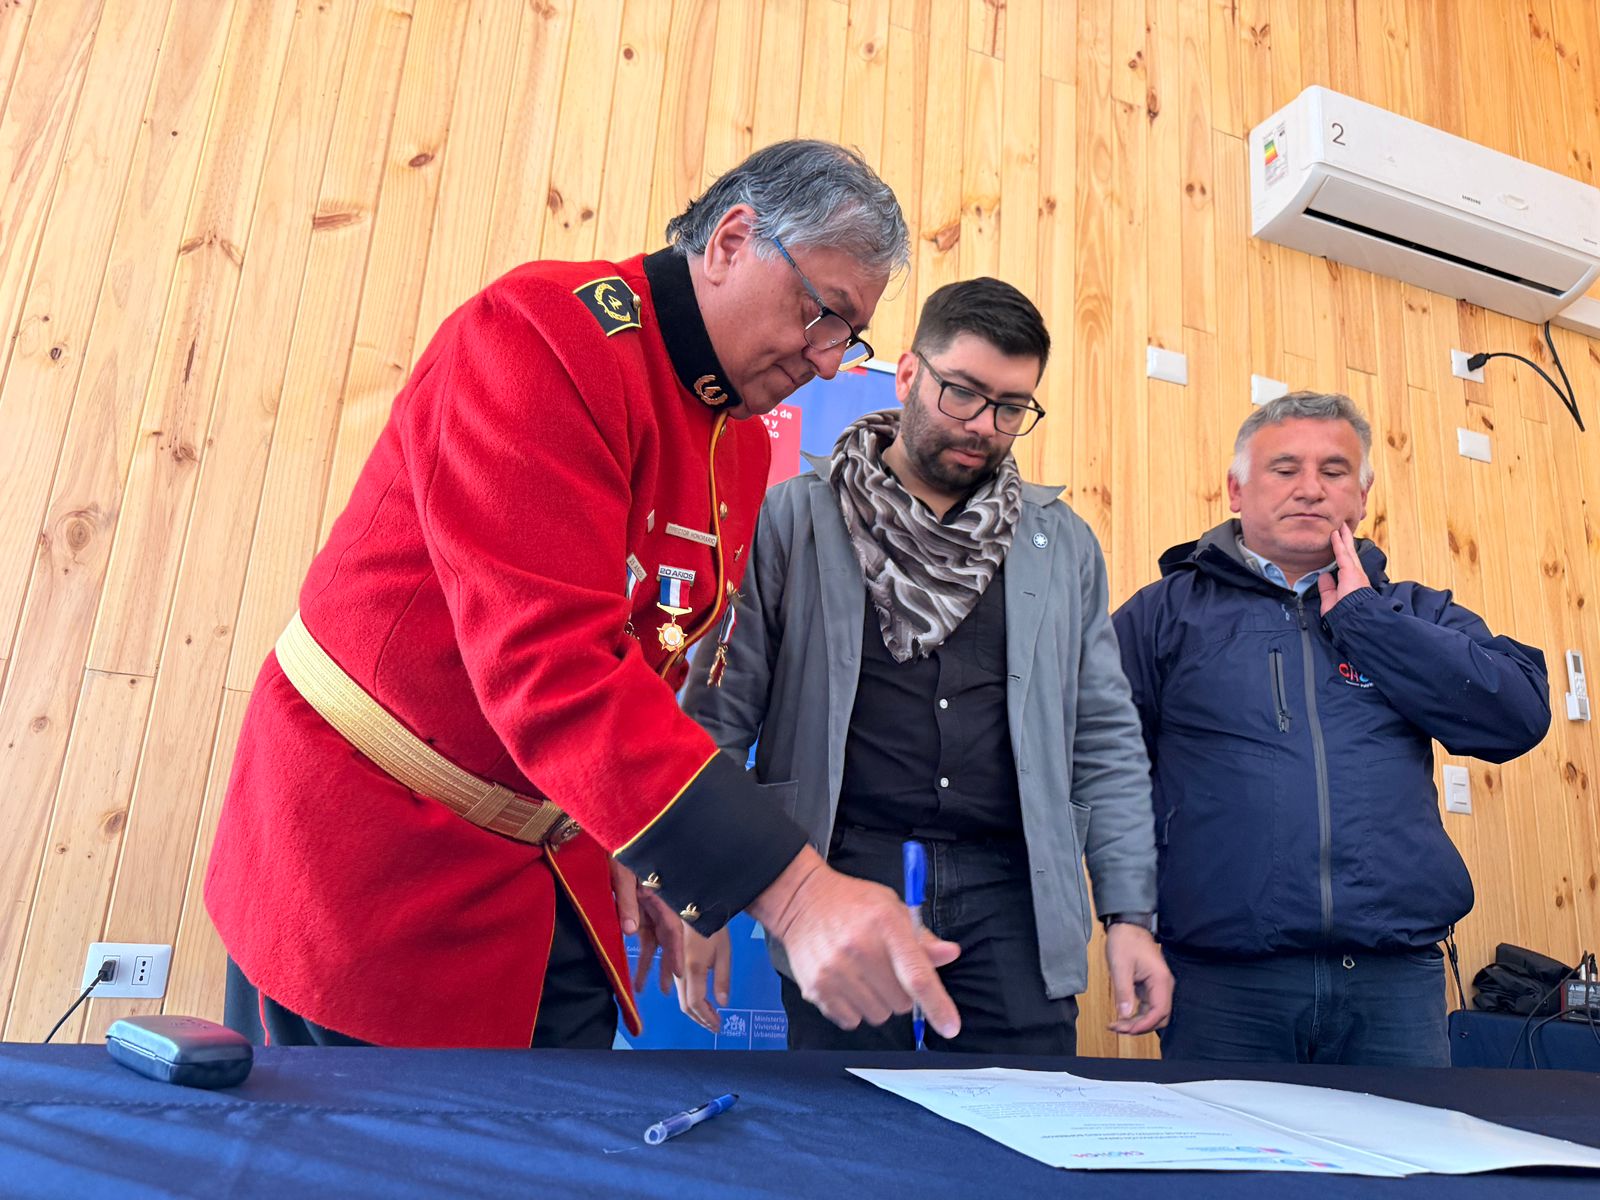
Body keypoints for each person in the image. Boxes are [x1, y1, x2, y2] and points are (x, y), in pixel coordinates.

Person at [205, 140, 965, 1049]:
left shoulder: (736, 440)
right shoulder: (542, 334)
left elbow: (651, 660)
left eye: (849, 335)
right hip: (374, 858)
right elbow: (552, 667)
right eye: (822, 313)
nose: (831, 362)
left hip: (551, 859)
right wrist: (795, 893)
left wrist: (652, 842)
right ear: (731, 241)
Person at [676, 278, 1171, 1052]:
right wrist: (698, 891)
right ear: (908, 374)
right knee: (846, 1117)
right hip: (839, 873)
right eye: (962, 393)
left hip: (1014, 890)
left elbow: (1104, 735)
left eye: (1011, 407)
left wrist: (1130, 914)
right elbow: (720, 714)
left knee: (1020, 1123)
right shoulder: (795, 516)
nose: (983, 426)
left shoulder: (1063, 545)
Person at [1113, 391, 1551, 1067]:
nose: (1311, 488)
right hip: (1224, 983)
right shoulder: (1162, 616)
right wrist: (1128, 919)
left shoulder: (1410, 612)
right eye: (1285, 468)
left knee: (1404, 1143)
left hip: (1394, 983)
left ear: (1363, 494)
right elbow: (1103, 770)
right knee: (1233, 1145)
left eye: (1334, 470)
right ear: (1237, 489)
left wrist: (1366, 620)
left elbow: (1517, 716)